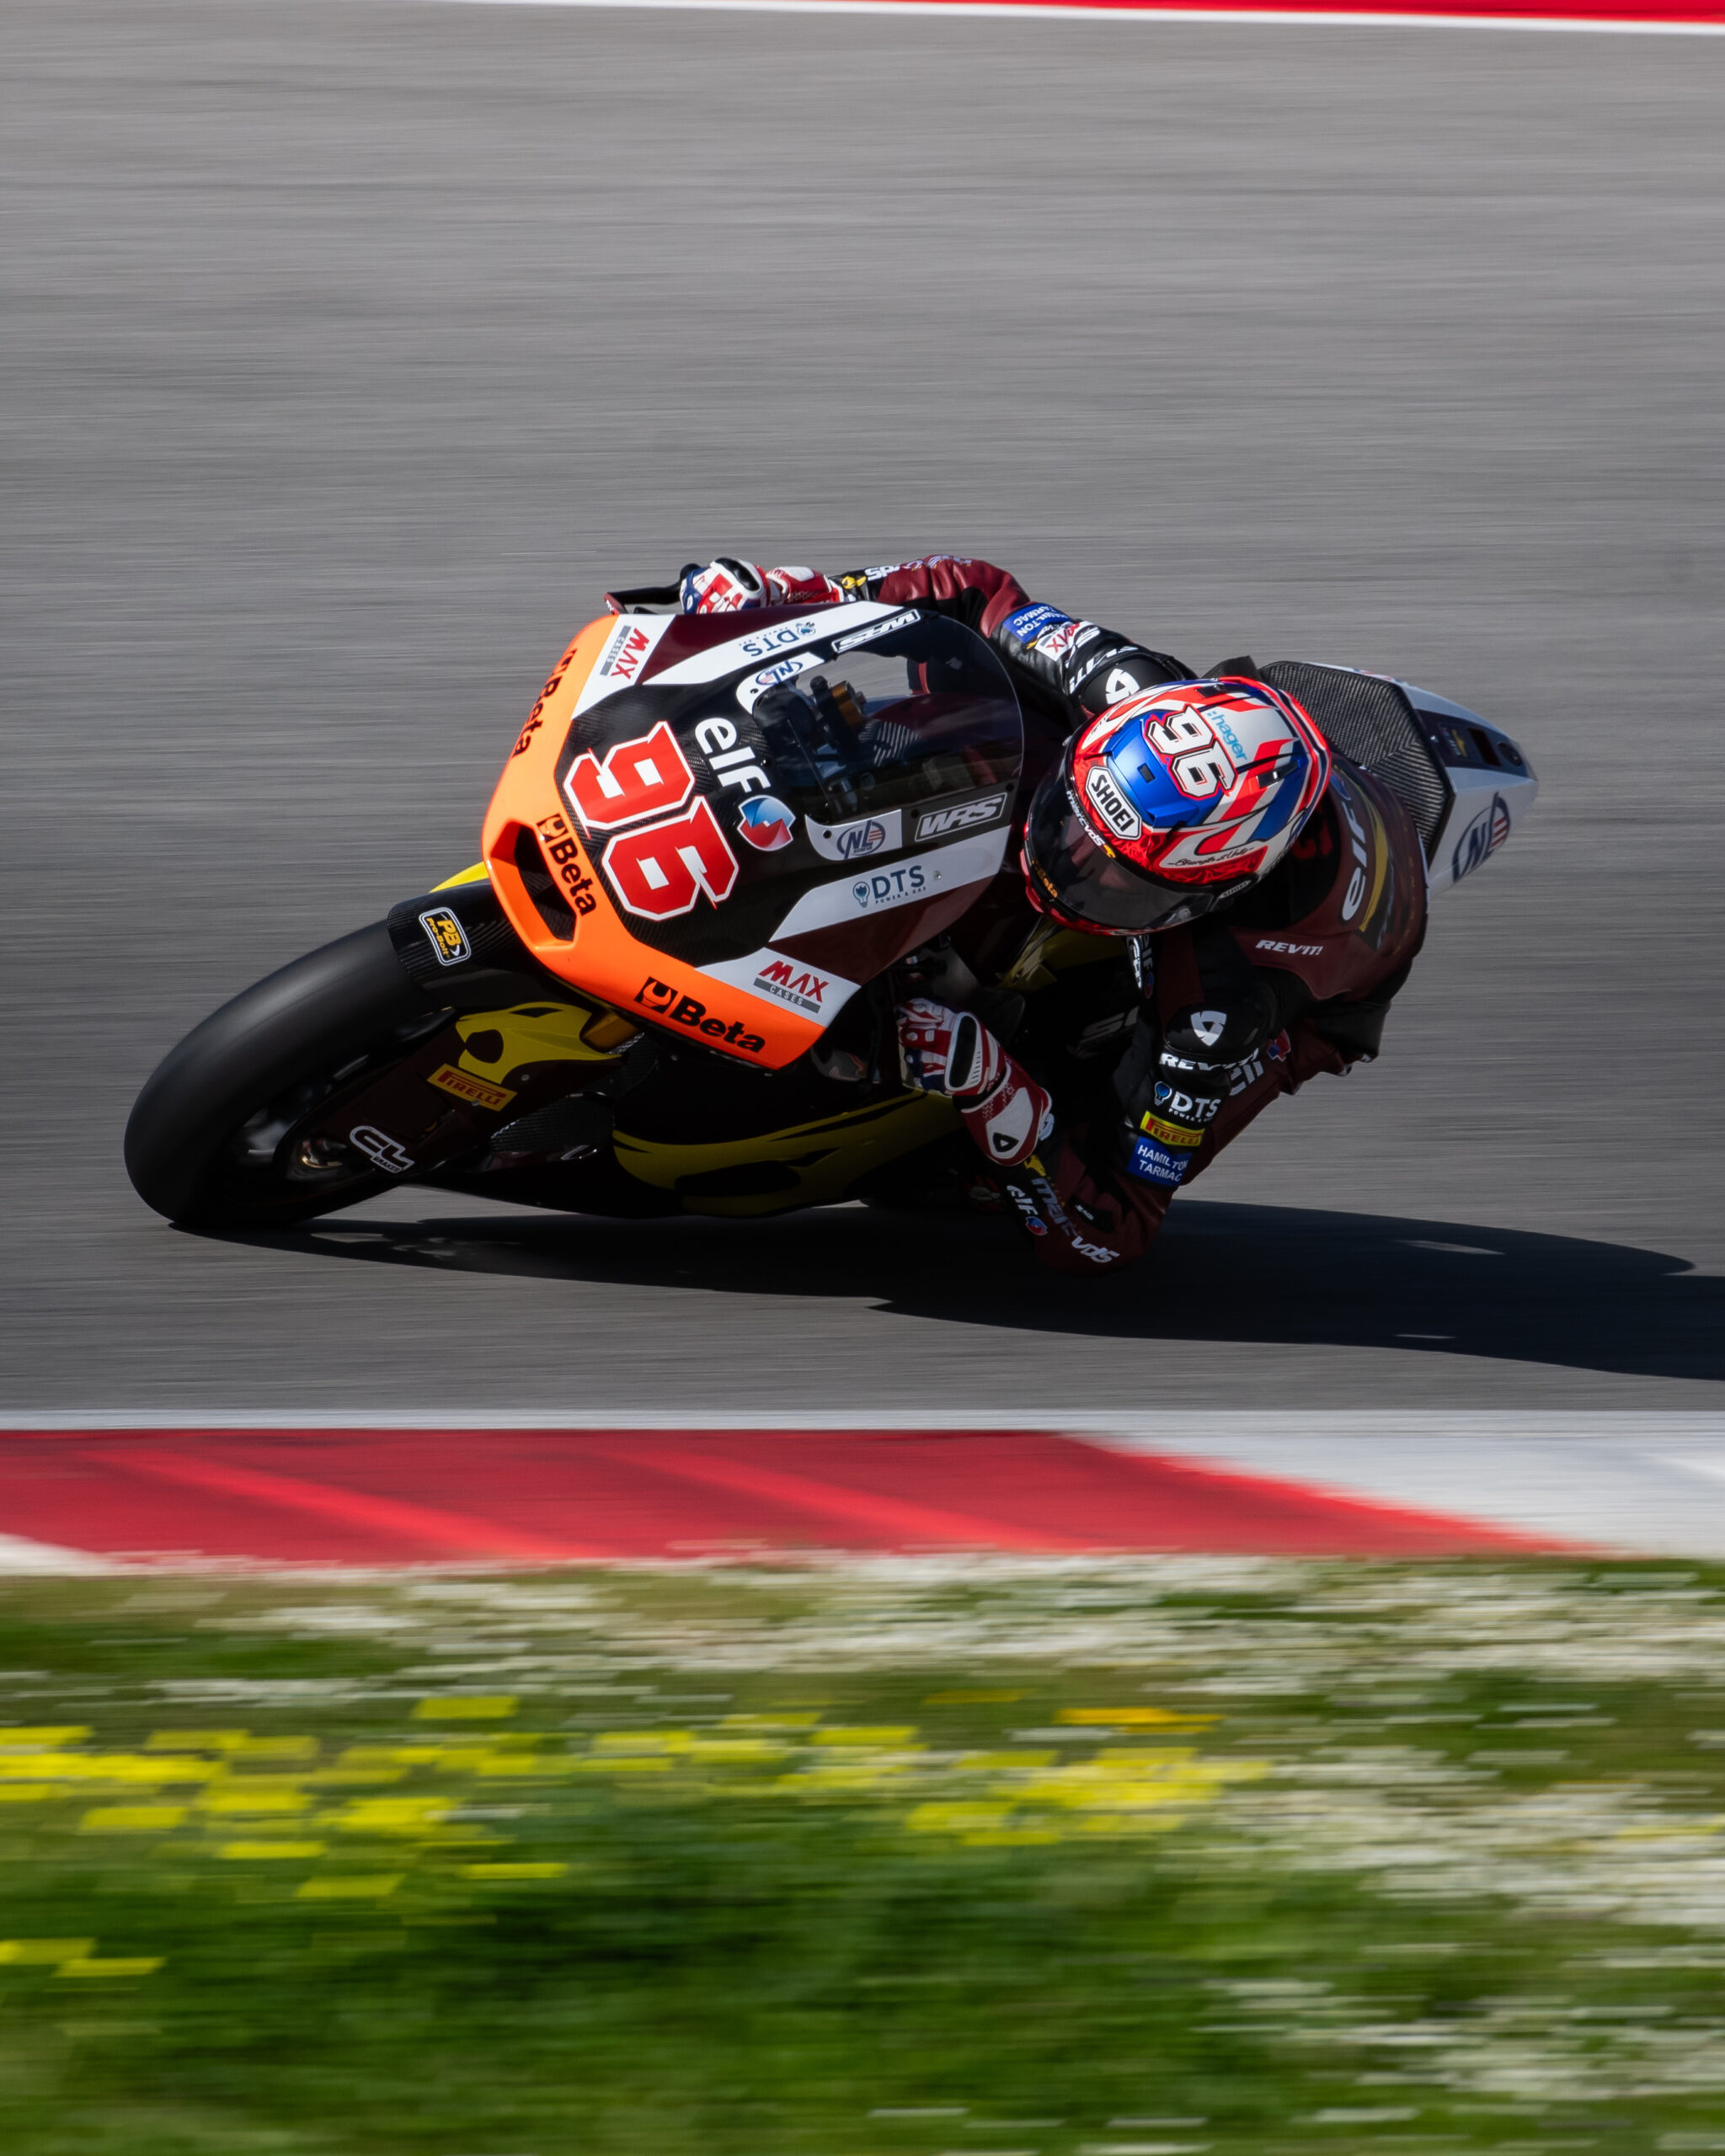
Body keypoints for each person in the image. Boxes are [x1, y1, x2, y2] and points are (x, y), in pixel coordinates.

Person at [617, 556, 1429, 1273]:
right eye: (1075, 823)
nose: (1068, 865)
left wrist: (992, 1084)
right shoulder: (1127, 687)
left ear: (1205, 894)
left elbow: (1112, 1229)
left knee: (991, 1168)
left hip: (1319, 986)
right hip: (1226, 789)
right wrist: (794, 595)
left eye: (1117, 879)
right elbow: (972, 593)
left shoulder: (1219, 1006)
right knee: (966, 723)